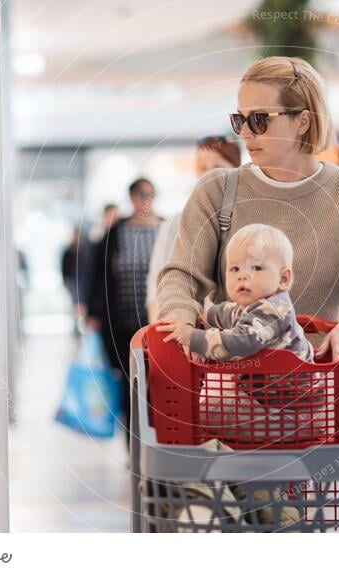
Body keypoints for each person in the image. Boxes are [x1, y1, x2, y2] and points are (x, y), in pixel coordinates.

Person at [156, 56, 339, 364]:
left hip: (323, 382)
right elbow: (181, 275)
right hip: (229, 385)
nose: (245, 133)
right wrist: (181, 324)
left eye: (259, 119)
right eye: (239, 120)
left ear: (303, 121)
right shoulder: (217, 191)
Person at [158, 223, 312, 362]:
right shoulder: (250, 306)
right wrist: (204, 316)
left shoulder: (273, 311)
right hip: (264, 388)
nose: (242, 275)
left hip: (294, 390)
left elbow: (238, 343)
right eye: (235, 269)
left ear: (283, 279)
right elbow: (227, 312)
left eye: (256, 268)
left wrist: (192, 337)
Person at [87, 178, 162, 445]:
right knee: (129, 382)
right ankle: (134, 441)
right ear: (131, 197)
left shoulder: (166, 228)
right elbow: (98, 274)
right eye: (141, 194)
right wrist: (92, 312)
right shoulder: (117, 232)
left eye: (151, 194)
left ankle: (158, 439)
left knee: (158, 383)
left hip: (157, 323)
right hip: (121, 321)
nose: (146, 200)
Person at [146, 135, 241, 323]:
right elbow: (156, 291)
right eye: (202, 168)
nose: (208, 176)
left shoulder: (247, 221)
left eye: (216, 167)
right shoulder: (176, 224)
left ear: (237, 170)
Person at [61, 227, 92, 333]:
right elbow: (64, 267)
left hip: (82, 281)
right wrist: (65, 280)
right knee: (75, 303)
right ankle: (76, 326)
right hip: (72, 282)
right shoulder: (67, 251)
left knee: (82, 302)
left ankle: (83, 324)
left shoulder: (85, 250)